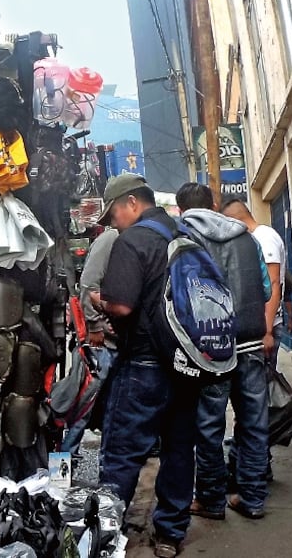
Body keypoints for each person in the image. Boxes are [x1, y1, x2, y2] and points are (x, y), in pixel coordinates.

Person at [89, 173, 198, 558]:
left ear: (132, 203)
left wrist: (99, 300)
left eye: (113, 214)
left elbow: (121, 306)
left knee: (121, 453)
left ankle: (106, 535)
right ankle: (170, 534)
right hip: (187, 363)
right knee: (179, 449)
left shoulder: (132, 240)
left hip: (145, 365)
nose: (113, 223)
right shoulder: (185, 235)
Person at [176, 183, 271, 520]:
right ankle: (253, 498)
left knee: (209, 427)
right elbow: (266, 288)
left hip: (211, 348)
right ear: (213, 205)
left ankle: (211, 499)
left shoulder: (184, 239)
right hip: (251, 341)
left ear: (181, 209)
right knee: (254, 424)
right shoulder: (247, 238)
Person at [60, 227, 119, 456]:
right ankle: (62, 463)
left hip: (113, 340)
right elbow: (88, 284)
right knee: (82, 405)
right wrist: (94, 325)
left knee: (105, 407)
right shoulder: (111, 238)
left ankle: (75, 460)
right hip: (99, 341)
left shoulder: (122, 238)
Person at [221, 199, 286, 369]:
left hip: (266, 326)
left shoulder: (264, 237)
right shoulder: (254, 238)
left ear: (234, 220)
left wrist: (267, 331)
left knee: (264, 379)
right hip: (258, 326)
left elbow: (274, 283)